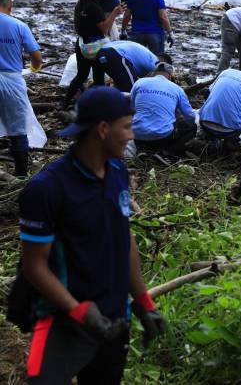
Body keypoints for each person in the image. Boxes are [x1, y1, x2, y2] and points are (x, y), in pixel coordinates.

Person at [20, 86, 166, 384]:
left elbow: (123, 240)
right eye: (126, 127)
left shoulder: (117, 173)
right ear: (102, 129)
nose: (131, 135)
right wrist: (78, 311)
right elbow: (34, 266)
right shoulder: (47, 189)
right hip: (58, 323)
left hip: (113, 319)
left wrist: (143, 302)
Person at [0, 0, 42, 177]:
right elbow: (36, 57)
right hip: (12, 82)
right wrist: (33, 68)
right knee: (18, 129)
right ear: (9, 5)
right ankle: (21, 176)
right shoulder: (18, 25)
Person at [64, 0, 125, 107]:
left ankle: (64, 102)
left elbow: (78, 26)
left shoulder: (80, 4)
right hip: (96, 46)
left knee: (81, 75)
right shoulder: (94, 7)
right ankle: (99, 106)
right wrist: (114, 13)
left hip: (82, 43)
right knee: (98, 77)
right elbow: (104, 29)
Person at [130, 61, 196, 156]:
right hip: (162, 138)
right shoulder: (177, 89)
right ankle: (166, 152)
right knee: (192, 128)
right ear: (169, 76)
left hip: (137, 135)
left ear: (153, 73)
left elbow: (130, 107)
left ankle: (142, 149)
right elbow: (189, 115)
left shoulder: (139, 82)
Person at [198, 66, 241, 149]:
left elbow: (206, 95)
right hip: (228, 132)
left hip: (204, 123)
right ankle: (230, 140)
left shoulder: (226, 72)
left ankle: (211, 137)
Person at [95, 40, 160, 92]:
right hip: (117, 54)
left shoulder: (149, 57)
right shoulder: (154, 64)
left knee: (100, 87)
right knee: (131, 89)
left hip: (101, 52)